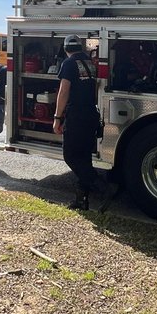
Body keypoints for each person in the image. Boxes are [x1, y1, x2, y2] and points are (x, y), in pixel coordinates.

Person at [52, 35, 112, 211]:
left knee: (70, 156)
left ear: (65, 49)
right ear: (81, 47)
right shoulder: (90, 63)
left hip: (76, 115)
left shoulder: (68, 63)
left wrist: (57, 118)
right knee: (84, 158)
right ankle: (81, 200)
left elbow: (64, 91)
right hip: (90, 114)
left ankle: (102, 187)